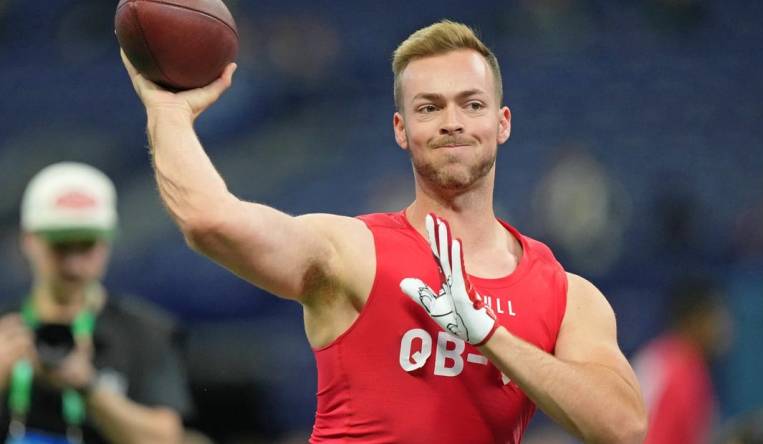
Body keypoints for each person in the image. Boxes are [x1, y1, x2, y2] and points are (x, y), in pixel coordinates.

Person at [121, 20, 646, 443]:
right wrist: (167, 113)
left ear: (502, 123)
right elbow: (210, 221)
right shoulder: (352, 251)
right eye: (428, 107)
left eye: (472, 104)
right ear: (401, 130)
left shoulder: (566, 295)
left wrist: (488, 335)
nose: (452, 121)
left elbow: (623, 427)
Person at [0, 162, 191, 444]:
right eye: (61, 245)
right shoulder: (4, 331)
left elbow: (165, 439)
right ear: (29, 240)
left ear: (107, 242)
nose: (74, 264)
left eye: (87, 244)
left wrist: (89, 388)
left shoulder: (145, 333)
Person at [633, 275, 731, 444]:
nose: (722, 328)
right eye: (715, 318)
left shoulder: (695, 369)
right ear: (694, 320)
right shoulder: (664, 368)